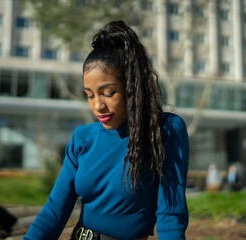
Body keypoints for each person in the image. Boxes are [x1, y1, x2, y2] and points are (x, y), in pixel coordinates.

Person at [24, 20, 190, 240]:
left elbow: (171, 215)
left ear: (132, 86)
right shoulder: (82, 139)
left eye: (108, 92)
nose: (97, 106)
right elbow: (55, 211)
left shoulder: (165, 130)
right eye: (90, 95)